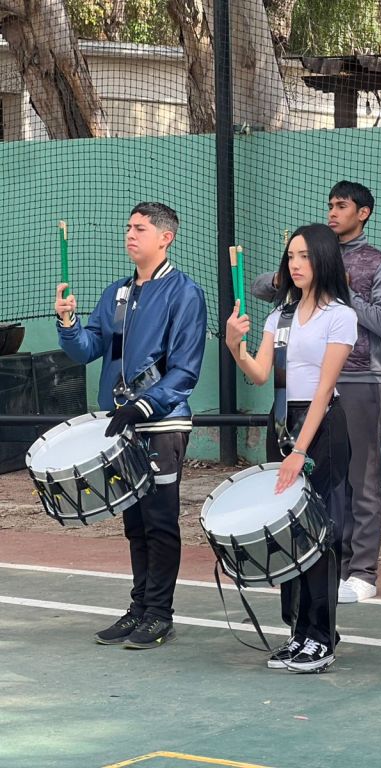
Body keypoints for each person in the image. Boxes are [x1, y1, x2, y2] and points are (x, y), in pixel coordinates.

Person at [54, 202, 206, 649]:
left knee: (160, 522)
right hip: (121, 427)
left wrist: (145, 405)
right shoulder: (118, 293)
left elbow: (186, 368)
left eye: (140, 228)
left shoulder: (184, 293)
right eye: (128, 228)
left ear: (166, 237)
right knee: (134, 523)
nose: (130, 235)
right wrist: (68, 322)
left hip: (160, 425)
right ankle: (139, 607)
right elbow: (88, 349)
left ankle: (160, 613)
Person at [253, 181, 381, 604]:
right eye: (329, 206)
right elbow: (267, 286)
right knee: (312, 480)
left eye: (342, 206)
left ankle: (362, 570)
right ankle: (312, 560)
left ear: (363, 213)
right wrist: (292, 274)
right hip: (303, 387)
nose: (333, 213)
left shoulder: (379, 262)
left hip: (358, 379)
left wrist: (343, 291)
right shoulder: (310, 255)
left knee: (361, 477)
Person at [226, 223, 356, 672]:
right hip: (281, 423)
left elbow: (323, 391)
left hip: (320, 429)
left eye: (304, 256)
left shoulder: (340, 315)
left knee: (319, 534)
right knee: (289, 534)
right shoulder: (277, 317)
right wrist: (235, 347)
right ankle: (299, 633)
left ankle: (322, 637)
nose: (296, 264)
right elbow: (261, 375)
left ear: (322, 259)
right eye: (291, 257)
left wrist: (300, 451)